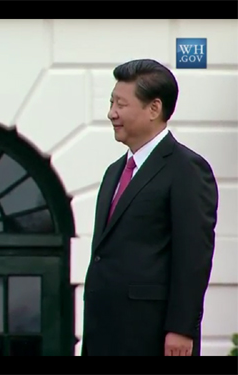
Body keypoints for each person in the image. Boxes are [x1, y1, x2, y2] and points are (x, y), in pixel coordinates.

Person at [81, 59, 218, 356]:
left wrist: (181, 329)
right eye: (110, 102)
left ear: (154, 109)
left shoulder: (187, 169)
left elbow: (193, 255)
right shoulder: (114, 172)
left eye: (120, 104)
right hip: (104, 334)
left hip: (151, 336)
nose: (111, 113)